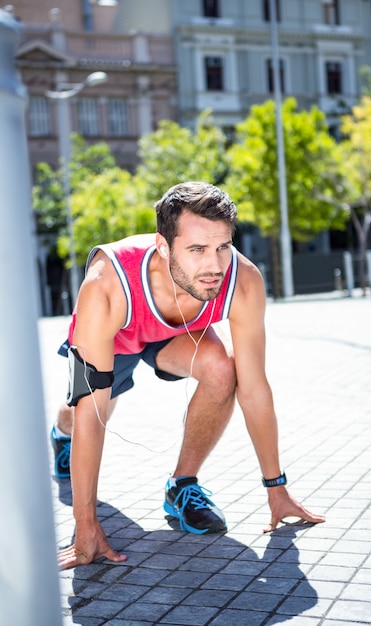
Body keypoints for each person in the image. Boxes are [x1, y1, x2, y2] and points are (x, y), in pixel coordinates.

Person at [51, 181, 325, 570]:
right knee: (87, 411)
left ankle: (182, 485)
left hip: (177, 336)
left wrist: (276, 488)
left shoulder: (241, 280)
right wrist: (85, 523)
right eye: (197, 250)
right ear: (163, 246)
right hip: (118, 335)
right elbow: (90, 410)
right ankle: (60, 435)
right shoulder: (105, 285)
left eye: (223, 247)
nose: (214, 265)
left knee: (222, 368)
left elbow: (255, 389)